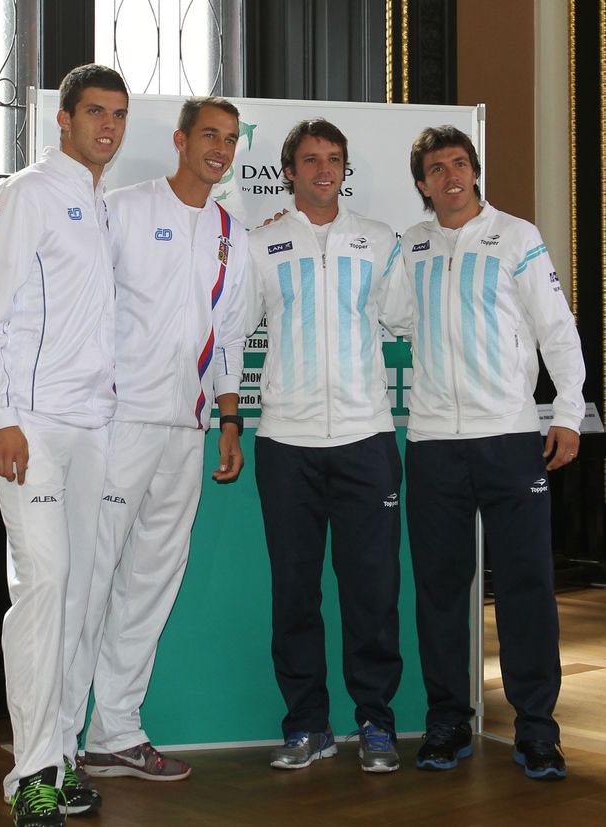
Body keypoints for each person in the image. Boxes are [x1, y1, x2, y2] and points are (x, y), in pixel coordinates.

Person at [0, 64, 129, 825]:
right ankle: (30, 775)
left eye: (118, 115)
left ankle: (57, 759)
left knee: (81, 595)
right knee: (45, 588)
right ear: (63, 119)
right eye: (95, 111)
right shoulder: (27, 194)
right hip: (31, 427)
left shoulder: (99, 205)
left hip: (94, 428)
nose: (108, 126)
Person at [66, 97, 248, 781]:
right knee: (88, 581)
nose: (220, 149)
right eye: (209, 135)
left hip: (188, 430)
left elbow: (227, 337)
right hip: (119, 423)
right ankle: (54, 747)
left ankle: (115, 731)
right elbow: (85, 304)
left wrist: (228, 420)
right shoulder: (128, 207)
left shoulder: (234, 233)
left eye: (230, 139)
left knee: (150, 584)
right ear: (179, 139)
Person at [402, 125, 585, 780]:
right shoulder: (413, 245)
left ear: (475, 172)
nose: (450, 174)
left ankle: (536, 728)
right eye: (436, 167)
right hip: (432, 444)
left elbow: (555, 329)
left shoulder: (518, 236)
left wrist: (567, 410)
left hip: (510, 437)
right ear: (422, 183)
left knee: (527, 588)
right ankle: (448, 721)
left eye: (460, 163)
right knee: (441, 591)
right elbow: (392, 314)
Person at [245, 119, 411, 773]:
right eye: (310, 159)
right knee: (294, 592)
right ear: (288, 170)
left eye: (333, 159)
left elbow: (411, 318)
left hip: (367, 438)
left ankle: (375, 721)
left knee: (372, 590)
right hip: (286, 440)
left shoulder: (379, 240)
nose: (322, 169)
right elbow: (231, 334)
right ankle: (307, 725)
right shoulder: (262, 244)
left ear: (345, 170)